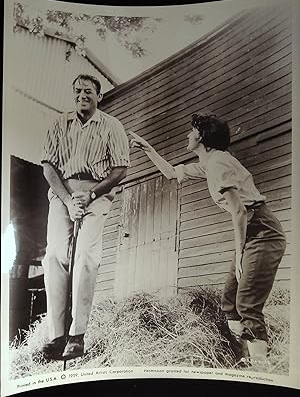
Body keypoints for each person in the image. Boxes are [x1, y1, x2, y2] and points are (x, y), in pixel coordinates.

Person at [130, 112, 286, 368]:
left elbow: (240, 211)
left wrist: (239, 255)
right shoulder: (209, 161)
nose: (187, 135)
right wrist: (147, 147)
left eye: (191, 131)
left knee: (246, 302)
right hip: (252, 230)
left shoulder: (218, 164)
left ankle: (262, 368)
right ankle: (244, 357)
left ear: (201, 137)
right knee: (229, 299)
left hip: (263, 231)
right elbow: (170, 172)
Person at [40, 74, 130, 360]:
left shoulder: (112, 126)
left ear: (99, 96)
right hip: (63, 192)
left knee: (85, 257)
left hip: (96, 192)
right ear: (72, 94)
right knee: (55, 255)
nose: (82, 95)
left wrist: (89, 196)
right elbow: (48, 167)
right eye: (77, 90)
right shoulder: (59, 124)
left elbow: (120, 169)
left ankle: (77, 336)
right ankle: (57, 336)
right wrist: (68, 200)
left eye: (88, 91)